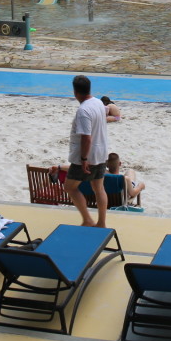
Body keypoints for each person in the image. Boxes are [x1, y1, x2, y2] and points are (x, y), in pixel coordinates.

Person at [63, 75, 109, 228]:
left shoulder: (83, 110)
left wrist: (83, 159)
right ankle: (101, 222)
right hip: (101, 153)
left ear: (75, 92)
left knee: (70, 187)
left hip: (87, 157)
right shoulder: (98, 103)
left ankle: (87, 219)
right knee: (99, 188)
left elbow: (86, 138)